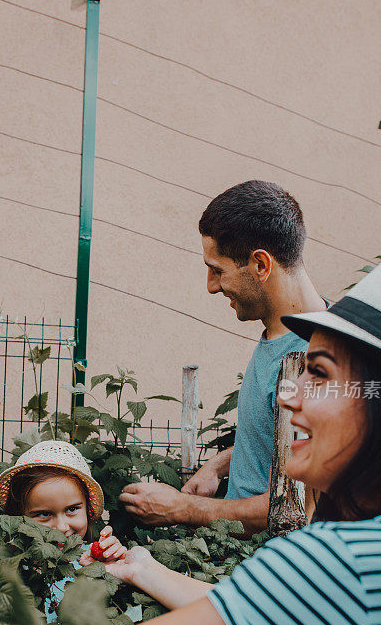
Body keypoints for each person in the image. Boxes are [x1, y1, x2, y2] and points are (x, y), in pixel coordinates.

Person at [32, 251, 381, 625]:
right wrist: (144, 570)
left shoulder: (340, 564)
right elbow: (276, 618)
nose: (289, 397)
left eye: (318, 374)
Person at [120, 180, 326, 533]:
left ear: (261, 264)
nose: (211, 285)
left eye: (217, 269)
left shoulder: (317, 360)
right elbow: (275, 447)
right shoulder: (278, 337)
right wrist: (218, 465)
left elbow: (296, 507)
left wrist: (183, 508)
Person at [0, 441, 127, 621]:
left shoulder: (94, 561)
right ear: (19, 518)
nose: (62, 527)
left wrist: (112, 566)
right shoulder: (12, 570)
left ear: (87, 508)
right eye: (44, 514)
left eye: (72, 509)